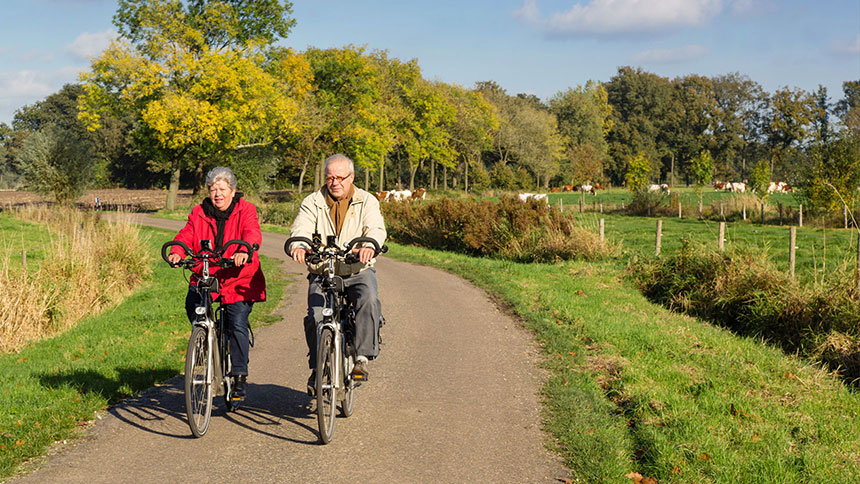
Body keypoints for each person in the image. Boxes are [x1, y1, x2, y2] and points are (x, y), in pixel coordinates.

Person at [288, 153, 386, 394]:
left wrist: (369, 244)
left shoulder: (367, 201)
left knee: (369, 300)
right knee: (315, 316)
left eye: (340, 177)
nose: (335, 183)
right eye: (330, 177)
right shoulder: (312, 201)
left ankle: (362, 357)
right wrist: (298, 245)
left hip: (356, 269)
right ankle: (317, 368)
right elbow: (300, 227)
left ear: (351, 177)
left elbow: (376, 227)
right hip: (323, 271)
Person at [167, 166, 266, 400]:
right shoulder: (200, 212)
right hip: (208, 273)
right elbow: (187, 234)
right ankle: (204, 340)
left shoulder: (246, 210)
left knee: (236, 321)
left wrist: (243, 250)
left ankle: (239, 375)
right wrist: (177, 251)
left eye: (222, 189)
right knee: (192, 302)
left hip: (238, 275)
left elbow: (252, 233)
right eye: (213, 189)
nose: (217, 194)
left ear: (233, 191)